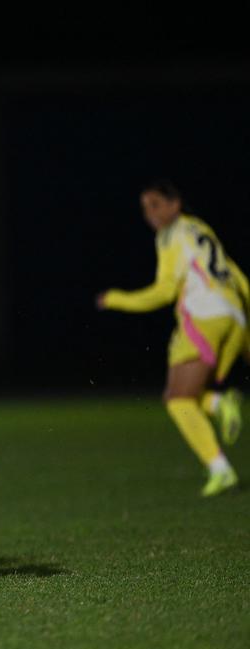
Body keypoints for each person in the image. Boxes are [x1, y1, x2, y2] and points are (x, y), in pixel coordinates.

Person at [98, 180, 247, 497]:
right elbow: (237, 276)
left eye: (155, 204)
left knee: (177, 400)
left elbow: (164, 292)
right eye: (144, 207)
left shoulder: (170, 235)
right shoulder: (199, 227)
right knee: (190, 394)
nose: (149, 213)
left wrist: (116, 299)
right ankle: (219, 401)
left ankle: (221, 468)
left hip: (204, 318)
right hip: (233, 316)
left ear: (174, 204)